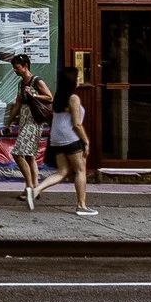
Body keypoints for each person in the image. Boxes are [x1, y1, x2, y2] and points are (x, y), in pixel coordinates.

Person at [46, 64, 95, 216]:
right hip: (71, 139)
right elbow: (77, 124)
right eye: (78, 76)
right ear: (72, 81)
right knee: (80, 171)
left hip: (57, 139)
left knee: (62, 171)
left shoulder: (59, 97)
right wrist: (86, 141)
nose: (80, 79)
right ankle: (81, 205)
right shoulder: (73, 98)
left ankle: (35, 190)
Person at [7, 52, 53, 210]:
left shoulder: (36, 80)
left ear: (25, 66)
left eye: (17, 67)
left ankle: (29, 187)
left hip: (34, 121)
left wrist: (34, 95)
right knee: (29, 155)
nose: (15, 70)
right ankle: (35, 186)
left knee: (17, 153)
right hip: (24, 119)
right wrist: (8, 123)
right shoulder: (21, 83)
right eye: (14, 67)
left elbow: (49, 97)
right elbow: (17, 104)